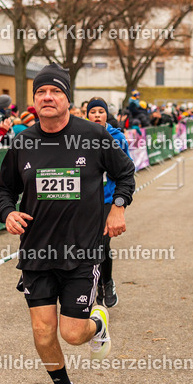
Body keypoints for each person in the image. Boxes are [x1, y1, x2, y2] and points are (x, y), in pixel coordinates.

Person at [0, 64, 136, 384]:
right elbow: (5, 189)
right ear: (34, 100)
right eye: (41, 92)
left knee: (72, 334)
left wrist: (118, 207)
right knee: (43, 332)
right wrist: (7, 213)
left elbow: (125, 174)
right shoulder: (22, 142)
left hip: (82, 251)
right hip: (36, 252)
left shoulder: (93, 135)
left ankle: (98, 324)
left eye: (55, 91)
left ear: (68, 99)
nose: (47, 97)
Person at [85, 97, 131, 308]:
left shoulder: (117, 138)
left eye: (100, 112)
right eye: (93, 112)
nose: (97, 115)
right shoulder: (79, 137)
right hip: (86, 200)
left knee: (102, 244)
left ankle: (107, 283)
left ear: (106, 115)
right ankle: (90, 285)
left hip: (107, 198)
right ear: (87, 115)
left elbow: (126, 169)